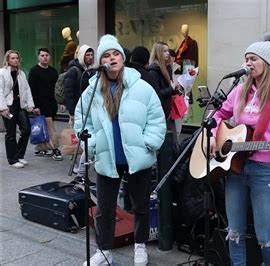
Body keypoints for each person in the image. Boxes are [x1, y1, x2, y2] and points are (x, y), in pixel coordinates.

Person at [74, 35, 166, 266]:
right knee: (104, 210)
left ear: (122, 58)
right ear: (100, 61)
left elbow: (157, 119)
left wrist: (148, 143)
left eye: (115, 54)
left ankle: (140, 246)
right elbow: (81, 122)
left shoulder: (141, 86)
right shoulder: (92, 90)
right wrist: (93, 145)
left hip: (137, 157)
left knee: (140, 206)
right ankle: (104, 252)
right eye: (106, 55)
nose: (112, 58)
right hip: (107, 158)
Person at [209, 33, 270, 265]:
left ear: (266, 63)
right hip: (236, 168)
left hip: (265, 169)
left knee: (264, 235)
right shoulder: (238, 91)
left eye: (253, 58)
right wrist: (212, 136)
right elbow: (217, 115)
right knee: (234, 230)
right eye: (246, 58)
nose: (248, 63)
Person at [0, 50, 37, 168]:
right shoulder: (2, 73)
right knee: (10, 133)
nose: (15, 60)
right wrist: (3, 108)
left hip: (20, 105)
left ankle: (20, 155)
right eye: (13, 58)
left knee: (26, 129)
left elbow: (27, 89)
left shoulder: (21, 73)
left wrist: (30, 104)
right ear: (8, 60)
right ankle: (12, 159)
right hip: (8, 106)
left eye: (17, 58)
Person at [64, 44, 95, 183]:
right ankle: (79, 170)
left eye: (91, 55)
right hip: (79, 111)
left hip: (90, 110)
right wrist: (72, 112)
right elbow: (69, 92)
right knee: (83, 141)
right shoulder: (74, 71)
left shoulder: (91, 70)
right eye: (87, 55)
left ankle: (80, 169)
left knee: (84, 141)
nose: (90, 57)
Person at [28, 48, 61, 160]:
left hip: (52, 103)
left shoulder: (53, 71)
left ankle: (40, 148)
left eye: (46, 55)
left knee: (45, 127)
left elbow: (57, 89)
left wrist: (60, 102)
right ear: (38, 57)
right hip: (41, 104)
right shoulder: (34, 71)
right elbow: (32, 90)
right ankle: (56, 149)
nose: (45, 57)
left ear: (49, 56)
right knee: (51, 128)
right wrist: (35, 106)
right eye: (42, 55)